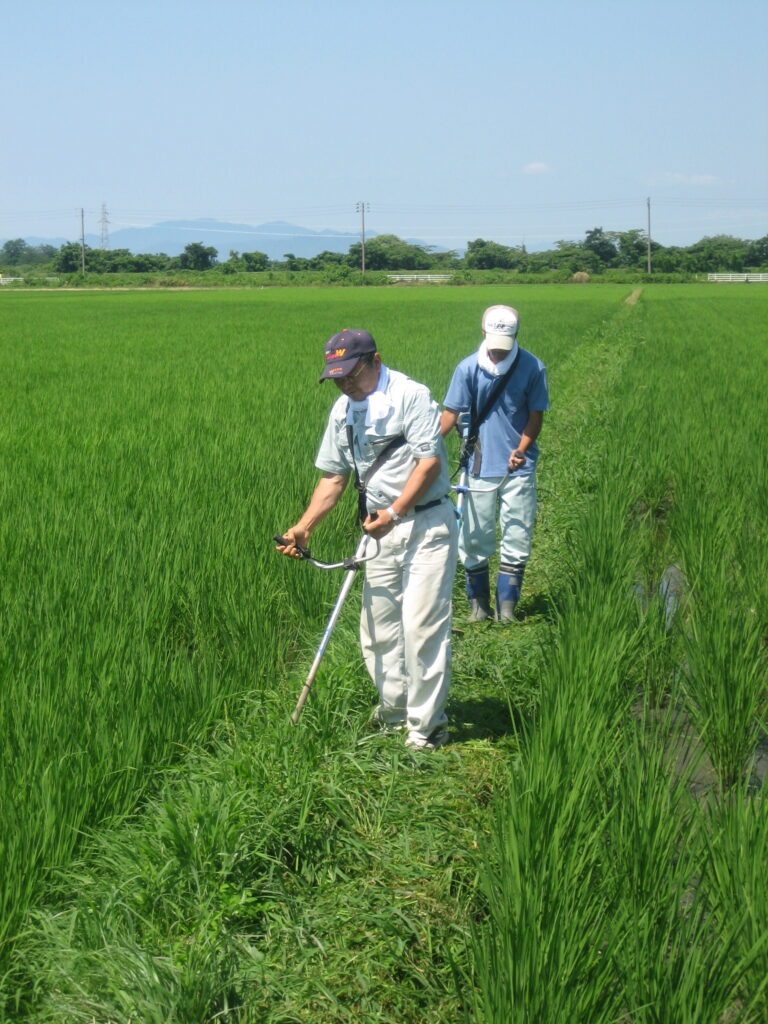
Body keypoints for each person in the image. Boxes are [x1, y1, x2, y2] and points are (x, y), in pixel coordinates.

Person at [277, 328, 458, 751]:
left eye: (351, 374)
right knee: (377, 629)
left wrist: (394, 512)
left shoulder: (410, 395)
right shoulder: (343, 411)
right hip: (378, 532)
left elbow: (428, 462)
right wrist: (304, 527)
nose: (345, 384)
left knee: (421, 627)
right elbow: (334, 476)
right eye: (337, 378)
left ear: (375, 361)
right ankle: (394, 712)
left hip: (425, 524)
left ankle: (426, 726)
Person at [440, 305, 550, 622]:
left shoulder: (532, 367)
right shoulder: (467, 369)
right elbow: (450, 413)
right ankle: (479, 607)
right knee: (474, 534)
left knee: (517, 533)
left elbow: (535, 416)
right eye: (494, 345)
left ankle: (507, 609)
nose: (499, 354)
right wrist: (426, 446)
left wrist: (522, 448)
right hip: (478, 463)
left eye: (505, 345)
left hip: (519, 465)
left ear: (516, 336)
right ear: (483, 332)